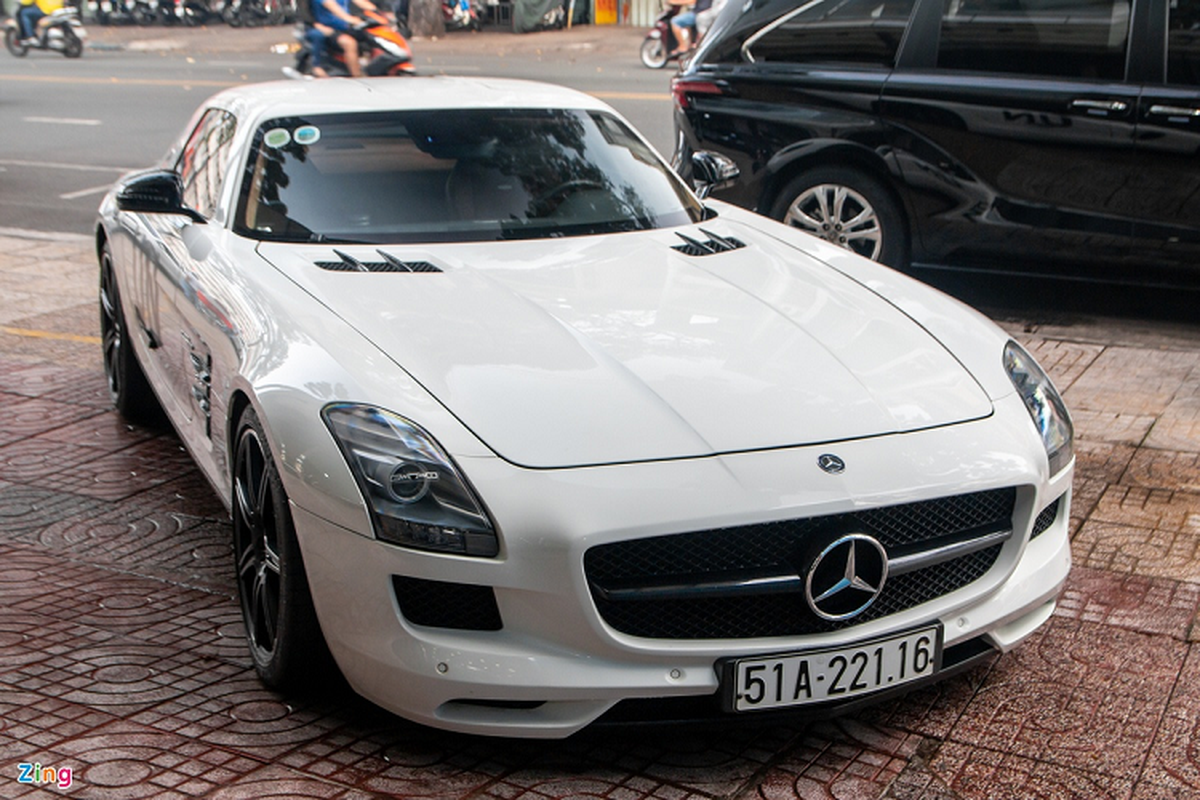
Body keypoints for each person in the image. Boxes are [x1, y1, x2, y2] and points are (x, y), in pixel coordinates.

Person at [311, 0, 382, 77]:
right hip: (328, 29)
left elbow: (362, 3)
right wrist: (349, 19)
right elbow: (333, 7)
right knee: (349, 43)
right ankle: (356, 75)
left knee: (370, 37)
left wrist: (379, 14)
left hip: (346, 28)